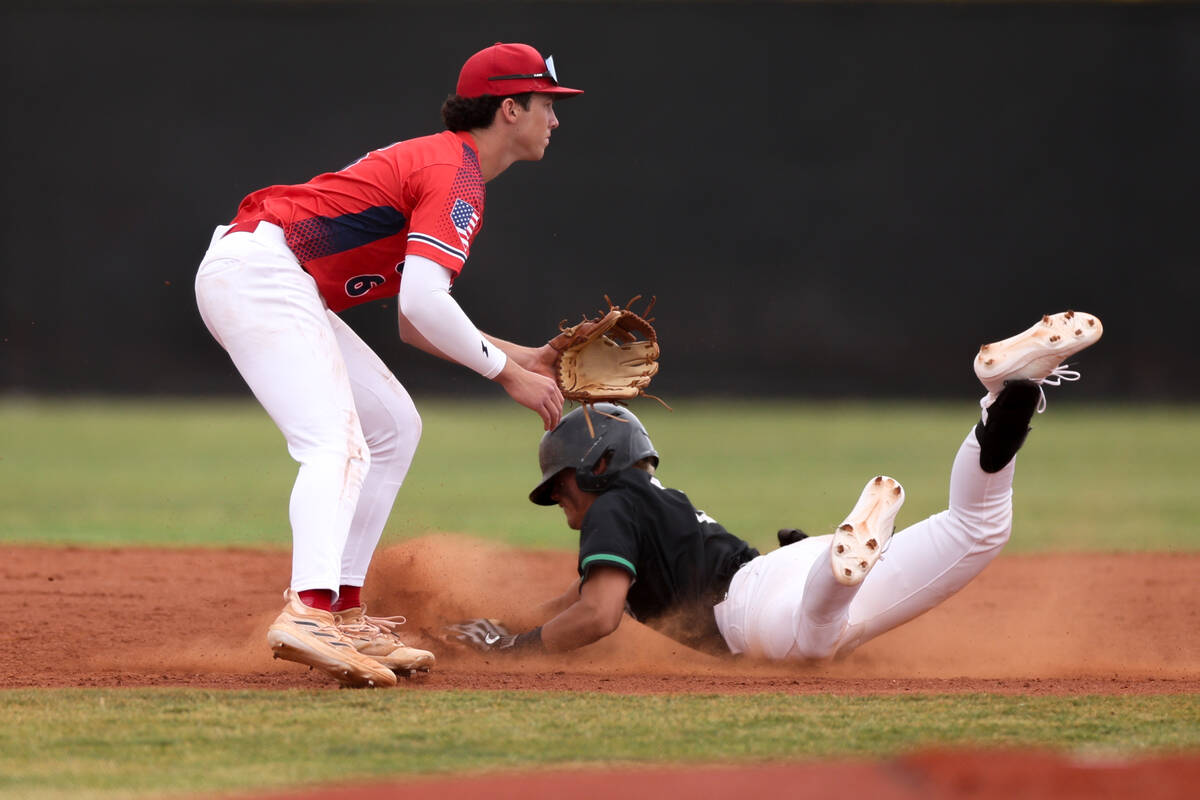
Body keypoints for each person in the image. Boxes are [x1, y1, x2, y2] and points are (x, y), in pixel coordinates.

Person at [193, 43, 583, 688]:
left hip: (273, 275)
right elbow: (426, 304)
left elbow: (415, 317)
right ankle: (309, 611)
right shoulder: (454, 172)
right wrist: (507, 376)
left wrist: (523, 356)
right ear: (510, 108)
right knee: (334, 441)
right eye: (547, 104)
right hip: (261, 271)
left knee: (394, 426)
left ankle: (342, 612)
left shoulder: (451, 167)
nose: (555, 118)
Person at [444, 311, 1103, 661]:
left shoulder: (611, 509)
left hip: (756, 612)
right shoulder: (651, 502)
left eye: (560, 488)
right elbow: (580, 595)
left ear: (595, 466)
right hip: (782, 566)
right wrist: (507, 628)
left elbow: (598, 613)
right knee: (976, 527)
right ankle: (1006, 395)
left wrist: (516, 652)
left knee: (809, 642)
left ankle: (842, 572)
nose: (560, 505)